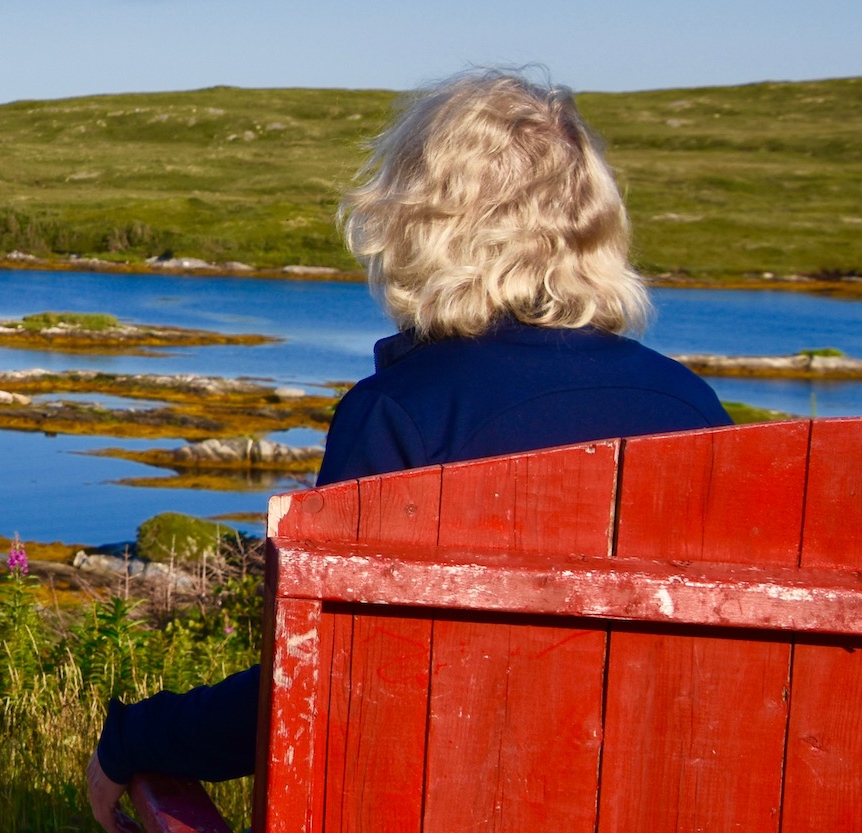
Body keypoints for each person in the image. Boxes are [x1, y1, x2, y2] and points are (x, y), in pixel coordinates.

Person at [82, 68, 730, 831]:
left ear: (421, 221)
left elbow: (316, 680)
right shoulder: (695, 410)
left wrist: (130, 740)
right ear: (593, 222)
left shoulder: (400, 415)